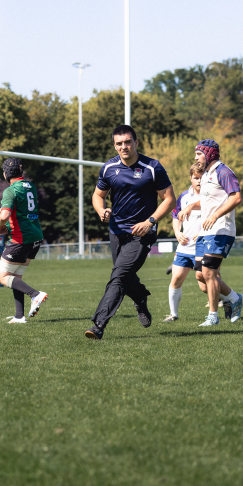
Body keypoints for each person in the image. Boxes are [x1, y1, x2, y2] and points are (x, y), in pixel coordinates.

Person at [85, 125, 175, 340]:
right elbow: (98, 196)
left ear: (136, 142)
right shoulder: (109, 168)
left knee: (118, 276)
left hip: (142, 234)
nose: (123, 146)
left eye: (127, 142)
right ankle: (140, 297)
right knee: (125, 275)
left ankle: (98, 325)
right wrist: (101, 211)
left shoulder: (152, 167)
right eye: (119, 143)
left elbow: (170, 199)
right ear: (114, 146)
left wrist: (150, 221)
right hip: (117, 231)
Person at [179, 139, 243, 327]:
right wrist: (191, 206)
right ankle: (235, 298)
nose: (196, 157)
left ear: (209, 154)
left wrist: (215, 215)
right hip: (205, 231)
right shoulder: (207, 174)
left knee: (209, 272)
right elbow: (208, 201)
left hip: (221, 230)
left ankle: (213, 316)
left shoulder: (223, 172)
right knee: (201, 275)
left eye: (199, 154)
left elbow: (236, 198)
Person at [0, 158, 49, 323]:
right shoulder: (31, 186)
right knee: (15, 277)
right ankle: (19, 316)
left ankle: (35, 295)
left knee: (2, 277)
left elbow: (4, 215)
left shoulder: (10, 190)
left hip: (21, 239)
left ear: (5, 173)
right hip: (36, 237)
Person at [164, 163, 206, 322]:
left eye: (201, 178)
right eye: (196, 178)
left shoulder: (210, 196)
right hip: (184, 247)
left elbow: (217, 218)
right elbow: (176, 216)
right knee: (175, 279)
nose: (199, 181)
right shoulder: (184, 196)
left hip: (203, 246)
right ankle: (173, 314)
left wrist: (203, 233)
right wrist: (177, 232)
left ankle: (230, 298)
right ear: (191, 178)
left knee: (204, 283)